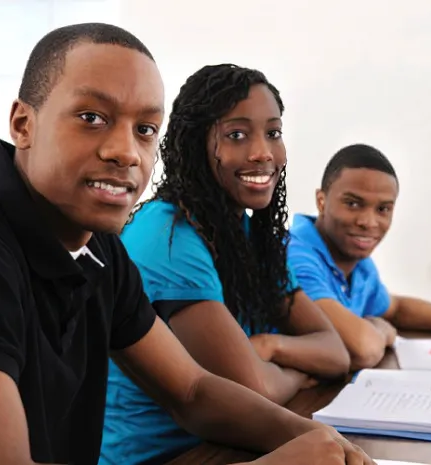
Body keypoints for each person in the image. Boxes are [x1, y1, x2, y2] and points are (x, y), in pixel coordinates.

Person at [0, 24, 371, 465]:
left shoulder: (98, 248)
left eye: (145, 129)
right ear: (23, 124)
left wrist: (321, 440)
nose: (125, 152)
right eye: (92, 118)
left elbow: (191, 390)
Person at [100, 63, 351, 465]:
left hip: (231, 444)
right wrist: (299, 372)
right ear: (196, 144)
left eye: (273, 133)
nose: (262, 153)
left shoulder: (250, 235)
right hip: (163, 457)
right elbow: (256, 388)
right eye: (237, 134)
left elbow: (335, 352)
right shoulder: (167, 237)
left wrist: (269, 346)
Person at [287, 143, 431, 371]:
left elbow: (397, 309)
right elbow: (361, 348)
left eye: (383, 209)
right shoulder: (294, 254)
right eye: (353, 204)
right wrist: (380, 329)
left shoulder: (357, 261)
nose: (368, 222)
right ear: (321, 201)